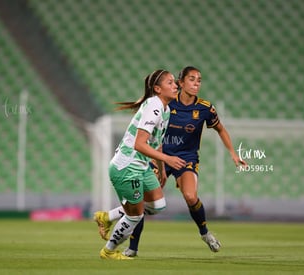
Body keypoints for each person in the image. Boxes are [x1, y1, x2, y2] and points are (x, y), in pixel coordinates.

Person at [94, 66, 247, 257]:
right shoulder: (160, 105)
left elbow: (219, 130)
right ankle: (128, 248)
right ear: (181, 83)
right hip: (151, 158)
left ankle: (205, 233)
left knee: (179, 200)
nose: (196, 83)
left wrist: (233, 153)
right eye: (190, 79)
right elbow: (143, 143)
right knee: (139, 207)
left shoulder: (199, 108)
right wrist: (163, 164)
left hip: (183, 158)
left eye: (199, 79)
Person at [96, 69, 186, 260]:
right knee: (135, 216)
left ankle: (107, 216)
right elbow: (139, 144)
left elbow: (158, 141)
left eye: (174, 82)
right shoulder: (154, 106)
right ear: (157, 89)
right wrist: (168, 160)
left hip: (142, 167)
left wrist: (161, 169)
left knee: (157, 205)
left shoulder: (166, 109)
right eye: (170, 83)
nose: (176, 85)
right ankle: (109, 251)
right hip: (127, 167)